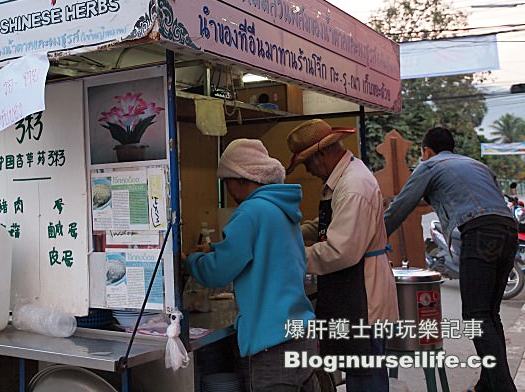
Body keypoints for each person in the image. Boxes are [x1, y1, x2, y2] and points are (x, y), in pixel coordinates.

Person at [384, 126, 517, 392]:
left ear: (426, 150)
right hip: (509, 230)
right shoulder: (477, 166)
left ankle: (503, 388)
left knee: (477, 316)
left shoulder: (431, 166)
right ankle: (487, 386)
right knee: (490, 314)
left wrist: (371, 239)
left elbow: (400, 208)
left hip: (479, 232)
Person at [184, 138, 316, 391]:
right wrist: (213, 248)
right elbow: (262, 249)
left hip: (273, 341)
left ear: (241, 178)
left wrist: (191, 261)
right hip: (301, 335)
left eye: (226, 181)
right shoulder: (282, 209)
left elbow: (218, 271)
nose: (227, 188)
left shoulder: (250, 211)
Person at [285, 119, 398, 392]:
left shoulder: (353, 185)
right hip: (352, 289)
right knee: (360, 369)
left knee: (364, 373)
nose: (310, 171)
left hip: (362, 294)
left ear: (321, 155)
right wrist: (298, 232)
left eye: (308, 164)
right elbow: (331, 224)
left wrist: (287, 256)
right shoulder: (344, 178)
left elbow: (340, 250)